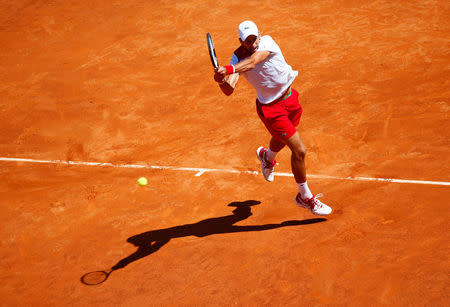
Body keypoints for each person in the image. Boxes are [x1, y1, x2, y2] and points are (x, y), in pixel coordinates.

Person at [213, 20, 332, 216]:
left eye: (253, 39)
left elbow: (253, 62)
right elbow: (229, 90)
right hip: (271, 110)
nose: (251, 44)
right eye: (247, 41)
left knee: (281, 138)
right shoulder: (237, 58)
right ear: (241, 42)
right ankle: (305, 197)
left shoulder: (267, 42)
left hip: (290, 98)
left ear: (260, 35)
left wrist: (228, 69)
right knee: (299, 150)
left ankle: (267, 157)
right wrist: (221, 81)